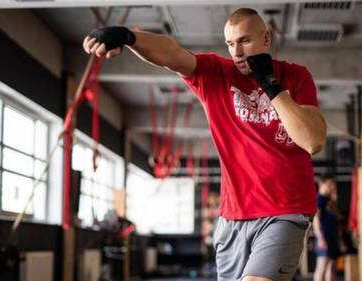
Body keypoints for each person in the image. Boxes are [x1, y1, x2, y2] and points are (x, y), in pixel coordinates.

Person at [83, 7, 326, 281]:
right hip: (233, 217)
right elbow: (172, 55)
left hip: (285, 209)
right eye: (231, 43)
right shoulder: (217, 74)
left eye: (245, 41)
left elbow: (312, 140)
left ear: (266, 39)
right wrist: (129, 37)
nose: (237, 52)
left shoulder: (296, 76)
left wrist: (270, 85)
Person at [313, 175, 343, 281]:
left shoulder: (329, 200)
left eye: (333, 185)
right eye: (329, 184)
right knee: (322, 266)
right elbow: (316, 220)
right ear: (321, 184)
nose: (331, 187)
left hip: (332, 238)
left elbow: (338, 217)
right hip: (324, 238)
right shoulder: (319, 199)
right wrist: (320, 239)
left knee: (331, 266)